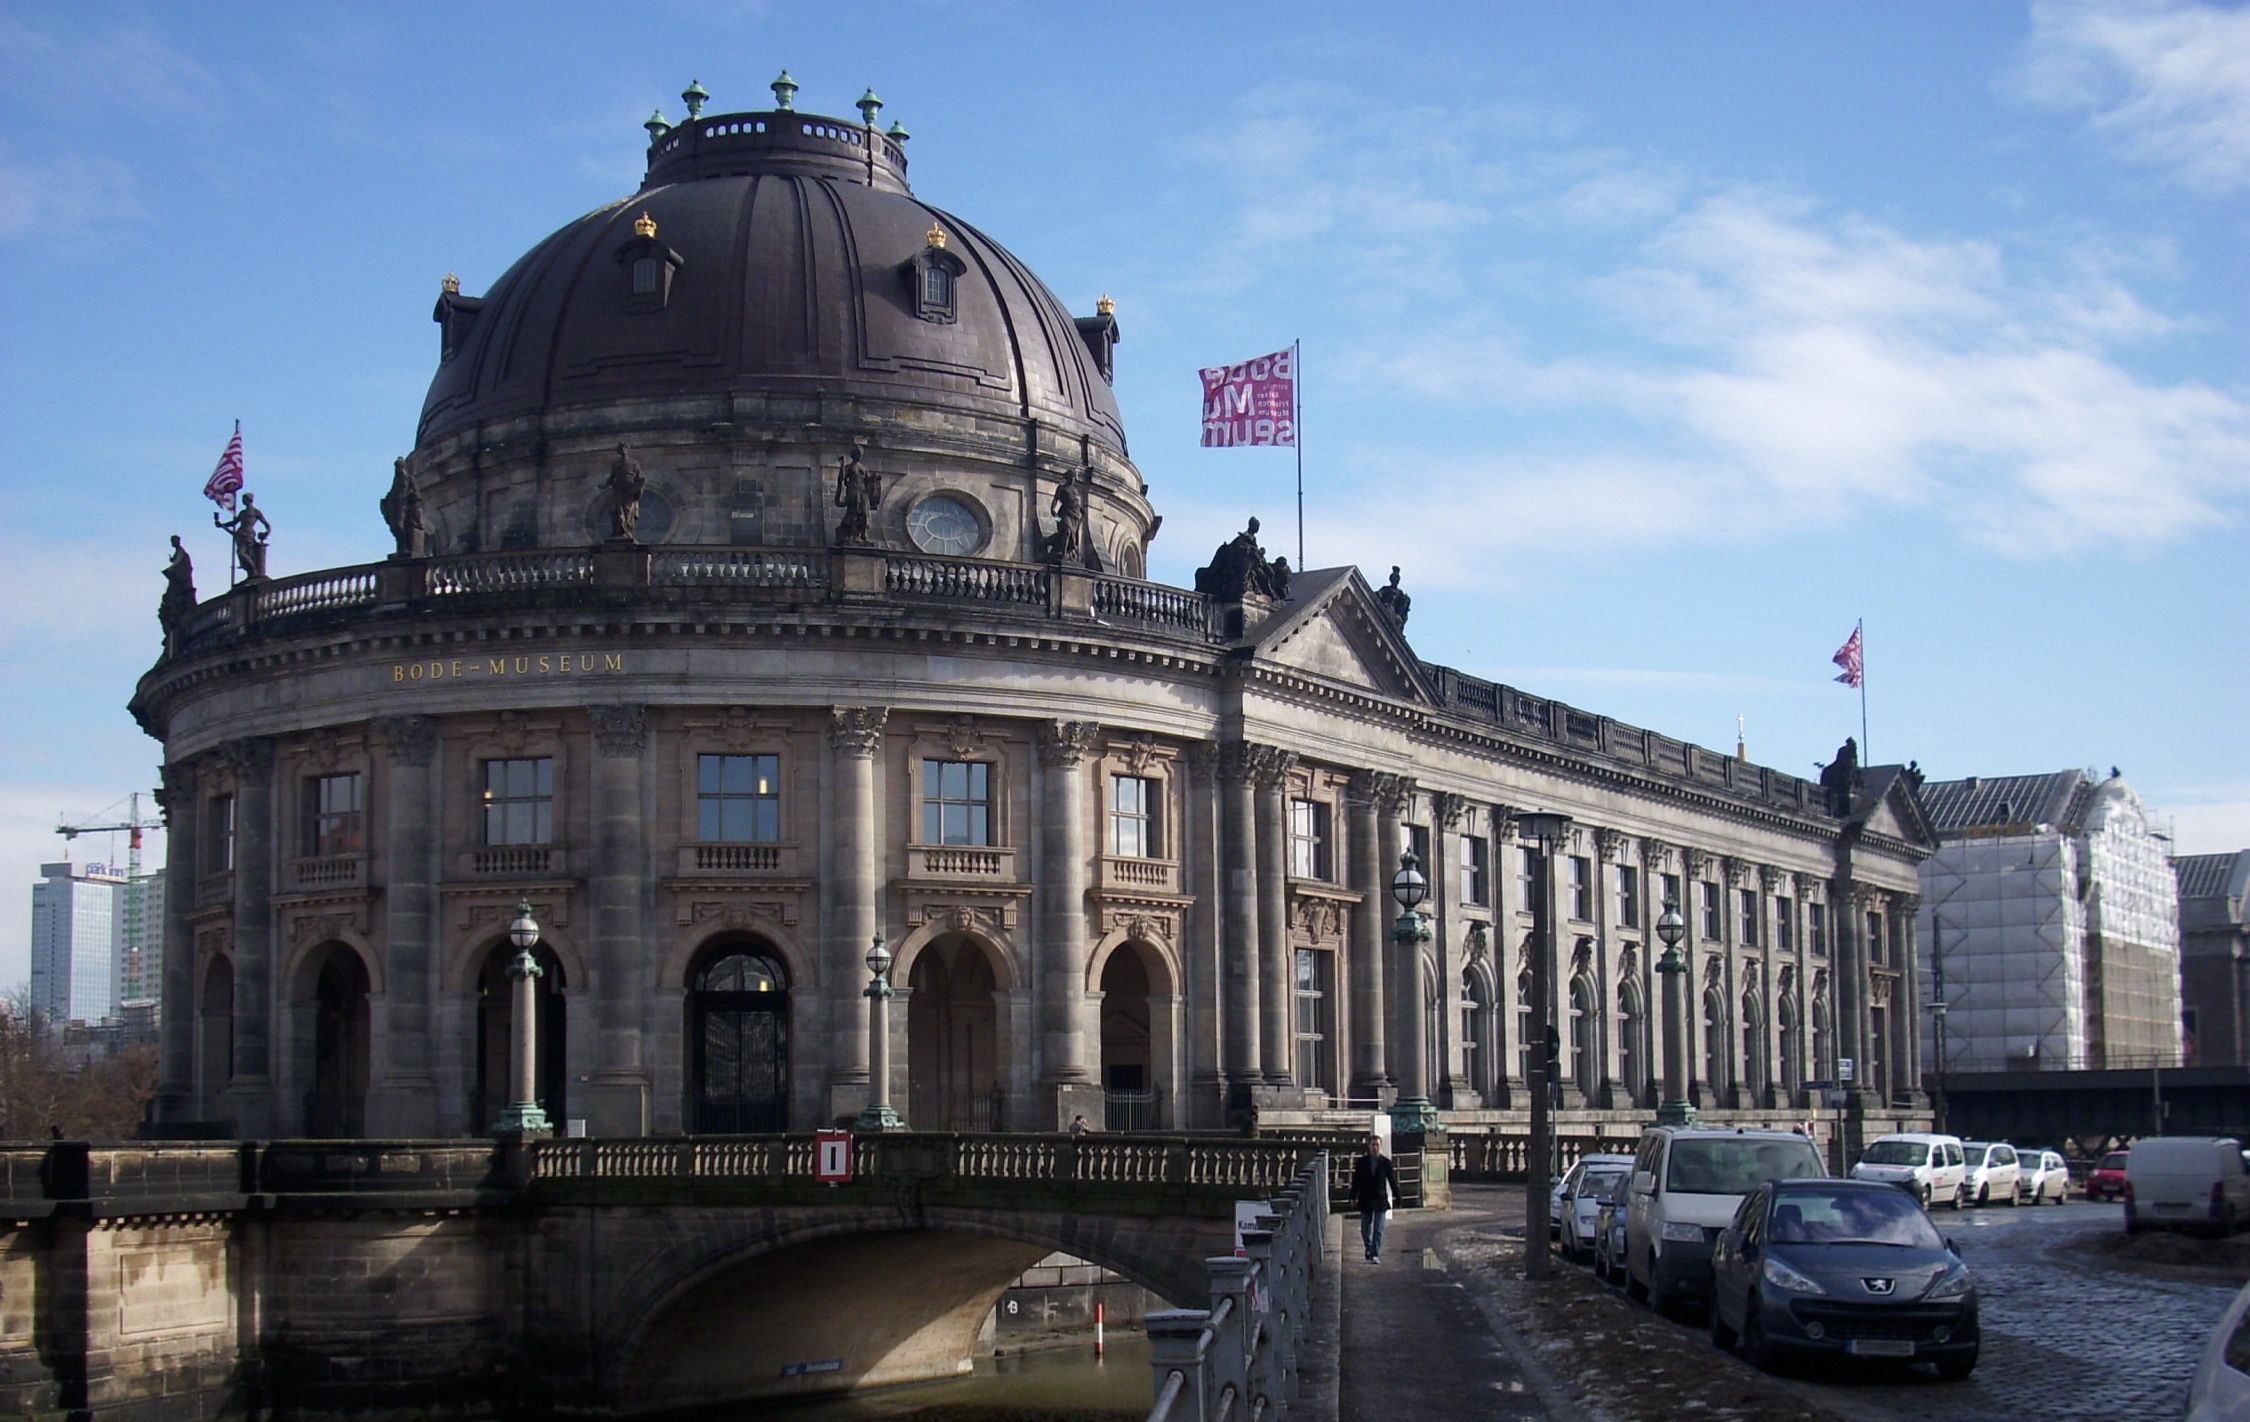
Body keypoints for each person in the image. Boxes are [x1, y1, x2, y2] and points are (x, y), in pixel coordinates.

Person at [1350, 1132, 1400, 1263]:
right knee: (1365, 1229)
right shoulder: (1361, 1162)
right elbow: (1356, 1181)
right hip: (1366, 1197)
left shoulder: (1386, 1163)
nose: (1375, 1147)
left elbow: (1392, 1180)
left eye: (1377, 1145)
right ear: (1369, 1146)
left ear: (1380, 1146)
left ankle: (1375, 1254)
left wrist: (1397, 1196)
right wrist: (1352, 1196)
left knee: (1379, 1229)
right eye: (1373, 1145)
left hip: (1380, 1198)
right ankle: (1369, 1246)